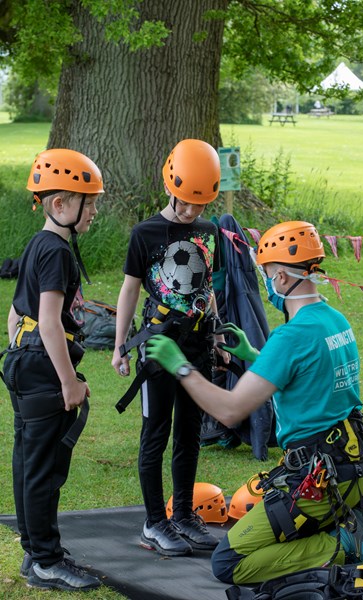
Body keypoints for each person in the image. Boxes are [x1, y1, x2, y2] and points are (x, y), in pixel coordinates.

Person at [145, 220, 363, 584]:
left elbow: (230, 410)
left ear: (280, 276)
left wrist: (180, 366)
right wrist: (255, 356)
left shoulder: (291, 336)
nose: (266, 284)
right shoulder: (335, 321)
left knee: (229, 562)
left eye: (266, 275)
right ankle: (345, 528)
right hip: (353, 467)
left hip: (316, 481)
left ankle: (343, 543)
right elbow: (307, 378)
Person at [112, 138, 229, 557]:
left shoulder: (209, 232)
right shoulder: (145, 233)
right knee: (156, 433)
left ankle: (182, 514)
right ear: (169, 186)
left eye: (200, 204)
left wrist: (217, 336)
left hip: (197, 347)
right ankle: (154, 521)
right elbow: (129, 290)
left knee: (190, 434)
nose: (192, 211)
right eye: (186, 203)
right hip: (159, 346)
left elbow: (207, 288)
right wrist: (120, 346)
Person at [1, 149, 103, 592]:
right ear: (60, 204)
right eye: (89, 203)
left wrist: (18, 354)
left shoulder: (37, 244)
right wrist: (68, 382)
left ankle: (34, 551)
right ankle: (46, 561)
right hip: (42, 368)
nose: (94, 211)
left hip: (22, 362)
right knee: (44, 468)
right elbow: (48, 322)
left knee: (28, 461)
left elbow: (15, 313)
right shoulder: (58, 252)